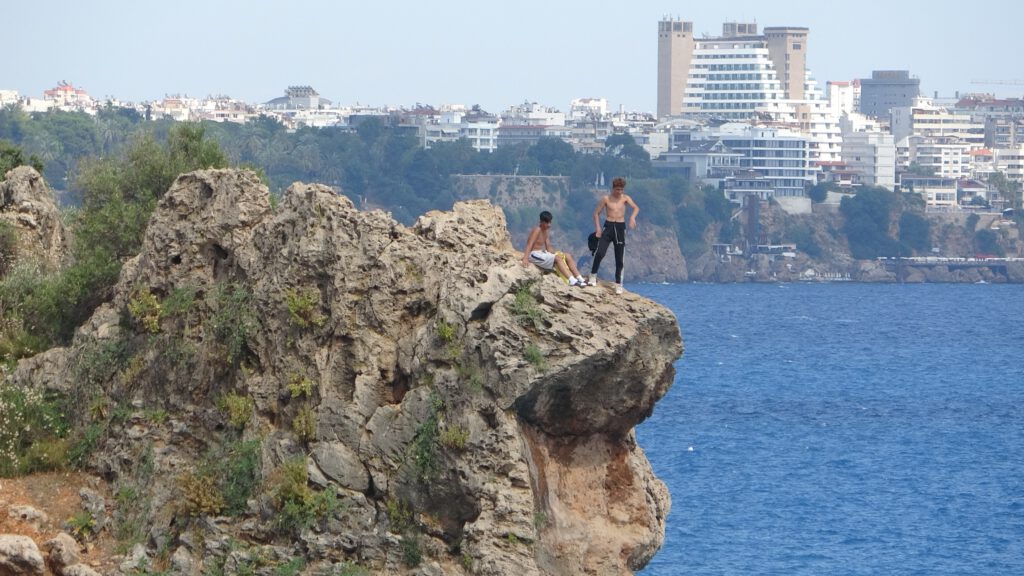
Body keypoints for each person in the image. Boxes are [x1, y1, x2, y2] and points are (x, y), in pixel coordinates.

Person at [588, 177, 639, 294]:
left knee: (619, 257)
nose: (619, 192)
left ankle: (618, 284)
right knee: (600, 252)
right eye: (617, 189)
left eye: (621, 189)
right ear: (613, 188)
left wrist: (632, 217)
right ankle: (593, 275)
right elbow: (596, 213)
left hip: (620, 227)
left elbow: (636, 208)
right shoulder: (606, 199)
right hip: (609, 226)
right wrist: (598, 228)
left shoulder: (626, 198)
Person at [522, 211, 588, 287]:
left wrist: (557, 253)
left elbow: (548, 247)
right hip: (533, 254)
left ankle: (580, 278)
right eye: (547, 223)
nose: (549, 225)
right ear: (541, 222)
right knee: (557, 259)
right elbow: (529, 244)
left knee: (567, 255)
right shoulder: (537, 230)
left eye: (550, 222)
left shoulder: (546, 232)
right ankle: (572, 280)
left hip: (542, 253)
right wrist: (525, 258)